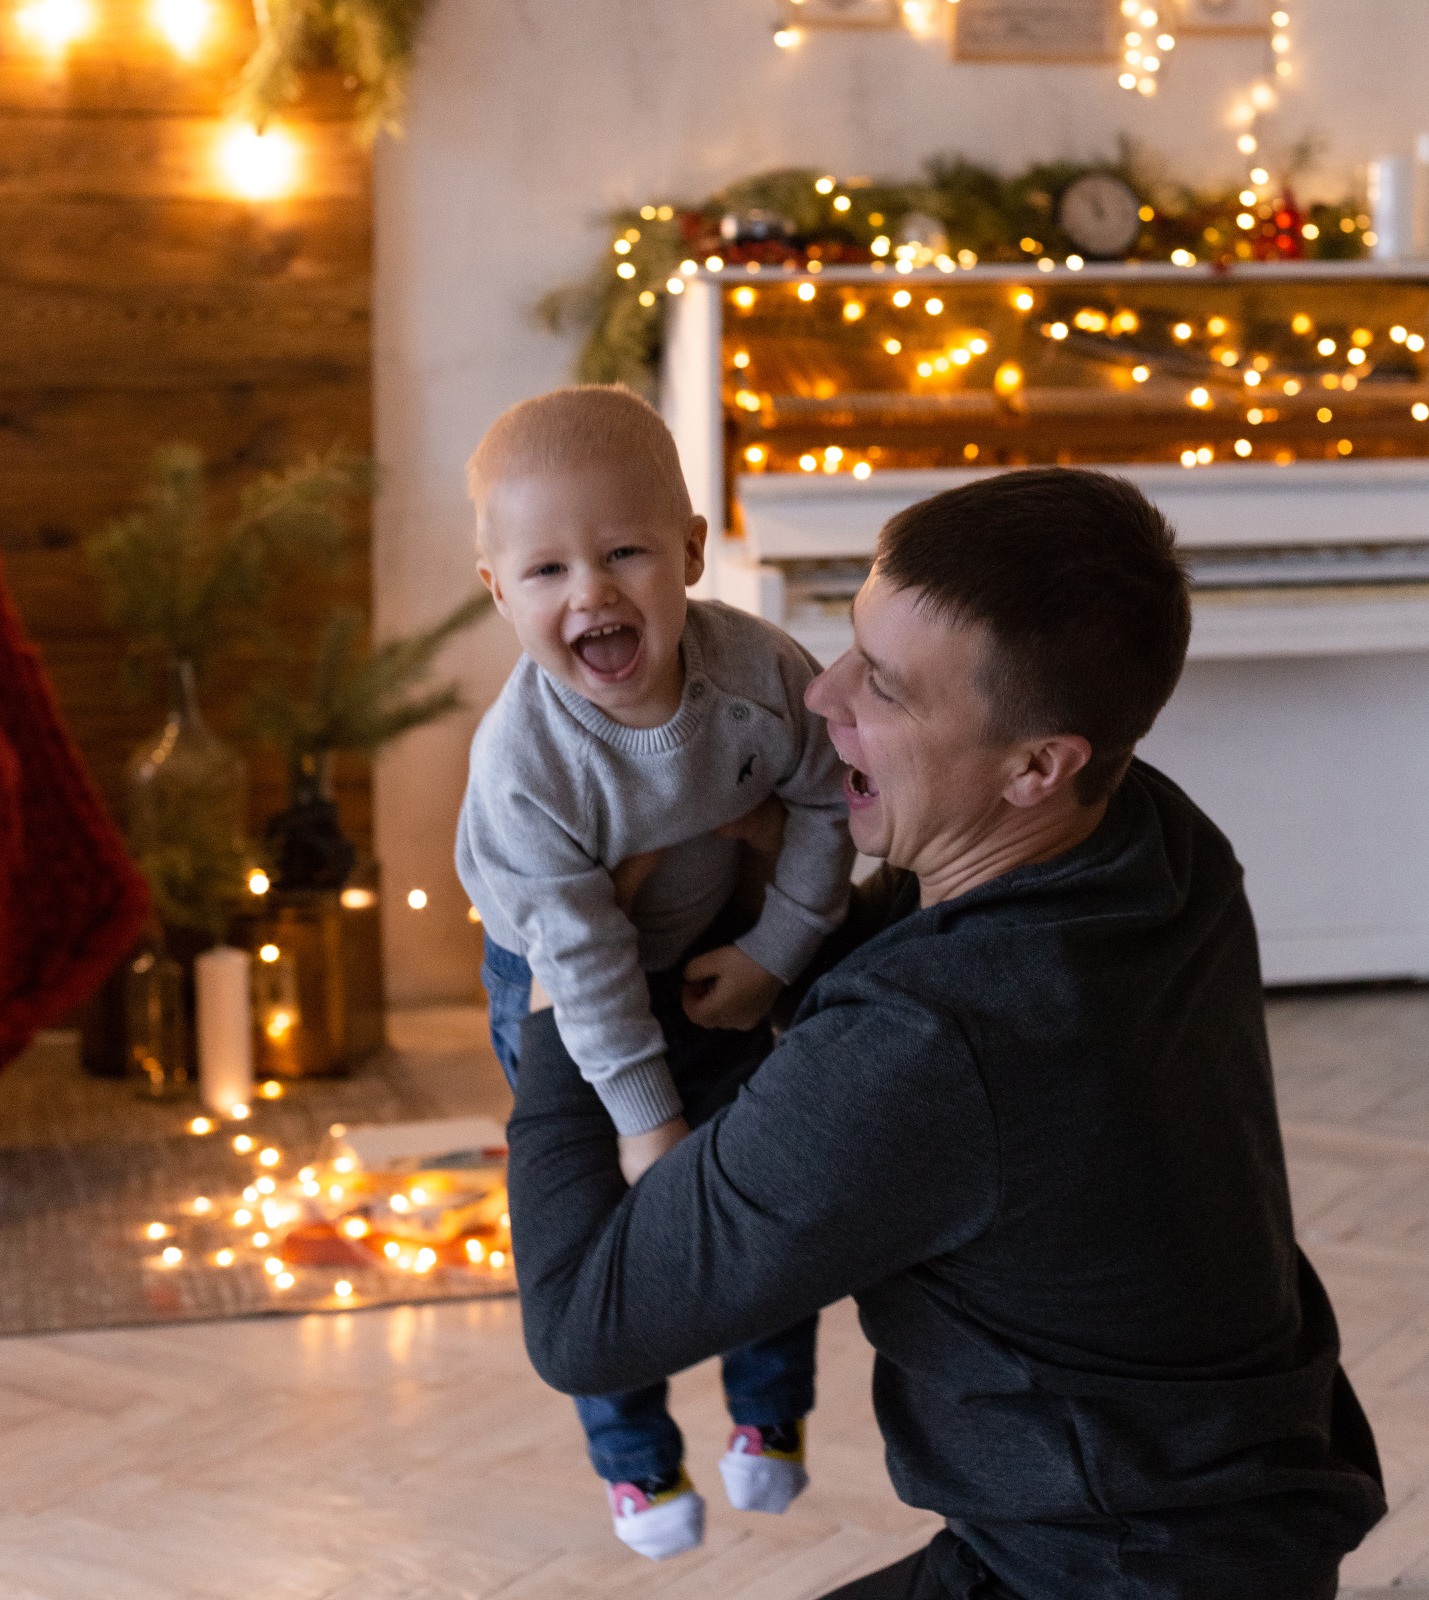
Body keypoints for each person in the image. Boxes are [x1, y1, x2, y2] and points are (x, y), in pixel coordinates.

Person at [504, 467, 1386, 1600]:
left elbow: (584, 1322)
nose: (821, 698)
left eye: (884, 686)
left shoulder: (926, 1047)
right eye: (849, 646)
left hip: (1104, 1569)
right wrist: (776, 895)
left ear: (1035, 764)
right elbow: (921, 978)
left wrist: (558, 956)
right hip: (1208, 1518)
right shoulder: (1155, 833)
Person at [455, 385, 853, 1561]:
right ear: (498, 593)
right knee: (595, 1232)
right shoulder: (526, 758)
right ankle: (634, 1462)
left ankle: (768, 1407)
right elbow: (577, 953)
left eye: (624, 549)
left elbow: (828, 801)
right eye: (545, 571)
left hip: (715, 955)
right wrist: (641, 1121)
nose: (590, 592)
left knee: (758, 1190)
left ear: (688, 550)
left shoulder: (758, 673)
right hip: (558, 983)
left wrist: (773, 950)